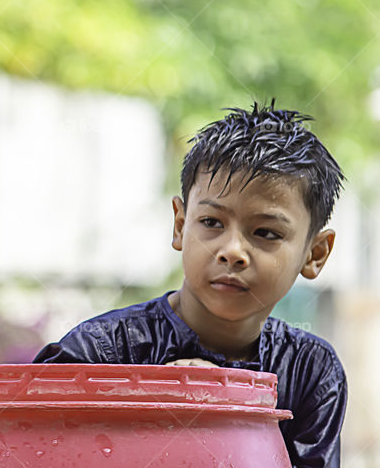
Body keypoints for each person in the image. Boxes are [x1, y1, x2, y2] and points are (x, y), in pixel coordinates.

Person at [32, 102, 348, 468]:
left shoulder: (310, 371)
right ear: (180, 225)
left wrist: (226, 415)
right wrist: (151, 401)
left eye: (265, 233)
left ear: (315, 254)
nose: (232, 251)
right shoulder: (97, 354)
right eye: (212, 223)